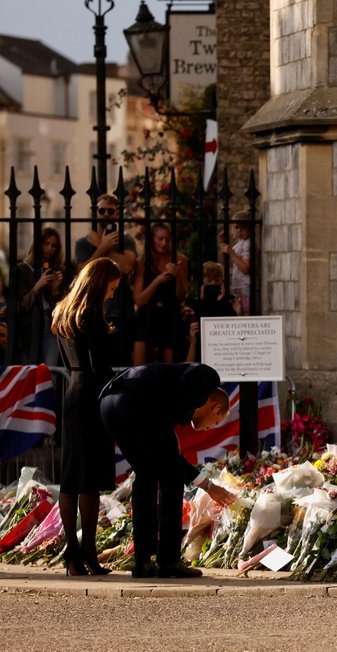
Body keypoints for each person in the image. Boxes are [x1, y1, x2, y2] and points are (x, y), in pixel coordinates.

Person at [99, 362, 235, 578]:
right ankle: (168, 560)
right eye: (215, 421)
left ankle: (142, 561)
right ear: (215, 407)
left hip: (110, 404)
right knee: (172, 476)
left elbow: (168, 448)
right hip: (137, 404)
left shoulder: (171, 401)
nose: (209, 428)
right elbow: (171, 453)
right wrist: (209, 486)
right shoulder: (207, 378)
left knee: (146, 475)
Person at [49, 257, 122, 576]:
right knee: (89, 479)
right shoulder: (90, 314)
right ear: (99, 282)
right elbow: (98, 364)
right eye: (111, 287)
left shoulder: (62, 310)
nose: (111, 294)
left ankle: (72, 553)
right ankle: (88, 550)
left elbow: (69, 361)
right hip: (93, 392)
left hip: (73, 391)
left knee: (71, 477)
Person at [74, 193, 137, 366]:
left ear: (117, 214)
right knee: (97, 361)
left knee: (121, 362)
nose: (106, 214)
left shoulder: (126, 240)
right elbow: (82, 273)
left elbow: (127, 267)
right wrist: (101, 247)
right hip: (94, 310)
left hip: (122, 310)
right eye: (102, 210)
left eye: (111, 211)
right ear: (96, 213)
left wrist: (106, 248)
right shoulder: (82, 243)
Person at [133, 222, 188, 364]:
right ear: (152, 239)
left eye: (167, 239)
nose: (164, 243)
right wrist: (157, 281)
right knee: (140, 366)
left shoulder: (179, 259)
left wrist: (178, 276)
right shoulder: (143, 262)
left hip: (169, 314)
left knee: (168, 366)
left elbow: (181, 296)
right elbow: (139, 300)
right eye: (160, 239)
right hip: (148, 314)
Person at [14, 227, 67, 366]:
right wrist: (38, 286)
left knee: (50, 370)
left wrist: (55, 289)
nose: (50, 248)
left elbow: (62, 309)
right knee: (29, 369)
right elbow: (22, 305)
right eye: (46, 244)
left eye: (54, 245)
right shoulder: (23, 269)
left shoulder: (58, 270)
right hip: (30, 325)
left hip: (50, 323)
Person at [219, 212, 252, 315]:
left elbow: (245, 268)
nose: (239, 231)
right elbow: (229, 259)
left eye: (243, 227)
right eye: (236, 227)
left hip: (246, 289)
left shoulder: (248, 244)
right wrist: (223, 243)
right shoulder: (239, 243)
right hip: (238, 288)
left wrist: (231, 253)